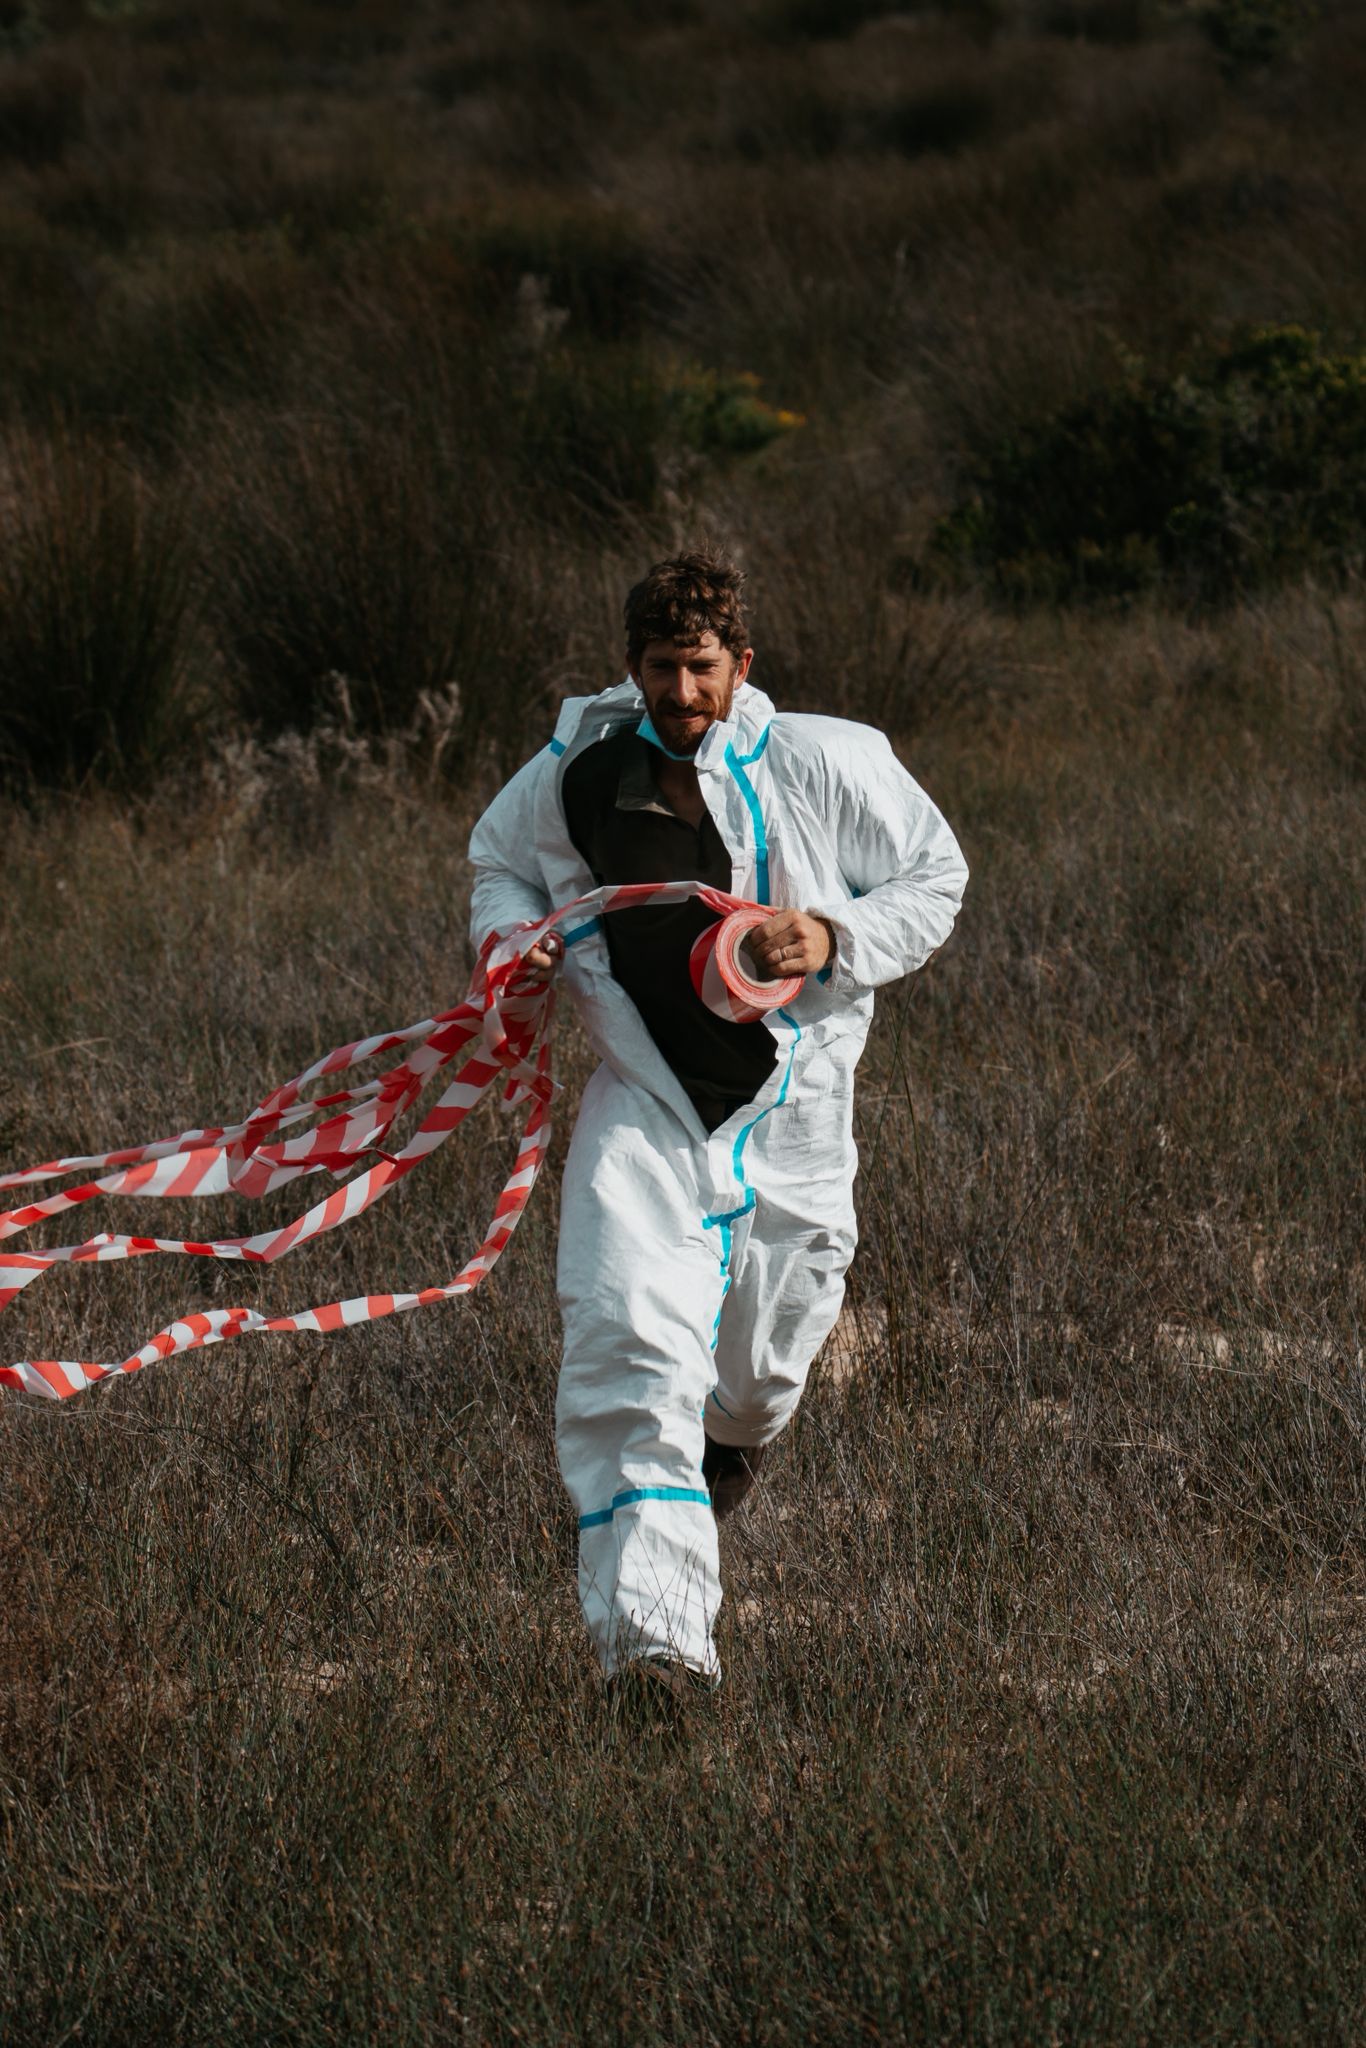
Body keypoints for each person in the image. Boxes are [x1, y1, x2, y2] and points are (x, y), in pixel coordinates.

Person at [468, 548, 967, 1696]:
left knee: (757, 1374)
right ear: (630, 666)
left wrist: (832, 936)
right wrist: (517, 941)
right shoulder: (579, 767)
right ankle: (654, 1653)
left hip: (794, 1115)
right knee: (629, 1343)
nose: (679, 693)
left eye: (700, 668)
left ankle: (726, 1449)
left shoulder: (827, 762)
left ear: (741, 664)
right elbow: (499, 864)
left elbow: (936, 875)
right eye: (658, 668)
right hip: (644, 1108)